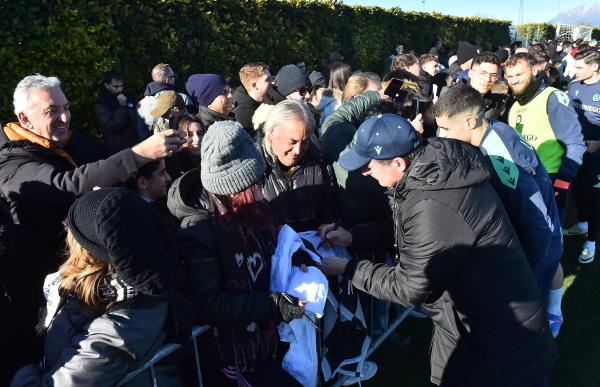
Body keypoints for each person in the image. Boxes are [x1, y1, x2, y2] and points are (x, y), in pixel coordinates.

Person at [319, 114, 557, 387]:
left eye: (368, 166)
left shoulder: (433, 201)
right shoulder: (432, 172)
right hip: (482, 325)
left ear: (398, 163)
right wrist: (353, 237)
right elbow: (420, 232)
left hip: (499, 340)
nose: (364, 173)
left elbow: (410, 287)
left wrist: (348, 268)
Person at [0, 74, 186, 381]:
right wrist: (141, 154)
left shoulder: (64, 140)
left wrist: (155, 150)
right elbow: (68, 184)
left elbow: (106, 156)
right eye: (51, 111)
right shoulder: (12, 164)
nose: (64, 117)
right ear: (24, 118)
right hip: (42, 295)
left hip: (87, 278)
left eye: (66, 107)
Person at [168, 120, 305, 386]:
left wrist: (295, 258)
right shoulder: (198, 230)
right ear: (234, 188)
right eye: (253, 183)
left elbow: (272, 243)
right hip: (233, 356)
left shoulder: (250, 209)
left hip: (265, 338)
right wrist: (272, 305)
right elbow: (205, 305)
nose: (260, 189)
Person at [10, 188, 192, 387]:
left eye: (69, 227)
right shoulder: (106, 288)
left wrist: (19, 369)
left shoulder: (117, 330)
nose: (65, 232)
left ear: (89, 251)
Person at [435, 83, 564, 337]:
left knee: (527, 316)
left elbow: (536, 221)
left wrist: (528, 272)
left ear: (470, 122)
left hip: (538, 246)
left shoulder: (502, 157)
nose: (441, 135)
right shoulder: (495, 131)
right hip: (535, 240)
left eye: (447, 128)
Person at [505, 52, 586, 224]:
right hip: (525, 178)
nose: (514, 80)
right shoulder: (515, 105)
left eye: (519, 74)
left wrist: (562, 183)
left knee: (551, 236)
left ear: (534, 70)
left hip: (550, 178)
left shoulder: (552, 97)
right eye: (509, 76)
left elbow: (575, 143)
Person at [260, 100, 338, 231]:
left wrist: (329, 224)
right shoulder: (255, 170)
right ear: (271, 133)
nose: (298, 150)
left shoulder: (320, 161)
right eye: (292, 141)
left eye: (305, 142)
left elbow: (332, 206)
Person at [566, 49, 600, 263]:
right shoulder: (573, 87)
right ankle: (582, 223)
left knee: (596, 197)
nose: (574, 70)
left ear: (595, 66)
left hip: (598, 156)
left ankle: (591, 242)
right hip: (577, 152)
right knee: (578, 189)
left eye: (579, 67)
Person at [94, 71, 139, 147]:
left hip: (134, 141)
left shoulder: (128, 96)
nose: (120, 89)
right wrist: (122, 107)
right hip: (117, 145)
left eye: (121, 86)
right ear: (107, 86)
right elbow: (113, 126)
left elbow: (137, 117)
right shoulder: (102, 103)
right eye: (116, 86)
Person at [233, 62, 273, 135]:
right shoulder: (240, 116)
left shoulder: (270, 100)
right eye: (267, 79)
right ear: (254, 85)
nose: (272, 82)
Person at [165, 114, 204, 180]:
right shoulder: (170, 165)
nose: (197, 139)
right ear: (179, 136)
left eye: (200, 133)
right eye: (190, 134)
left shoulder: (211, 160)